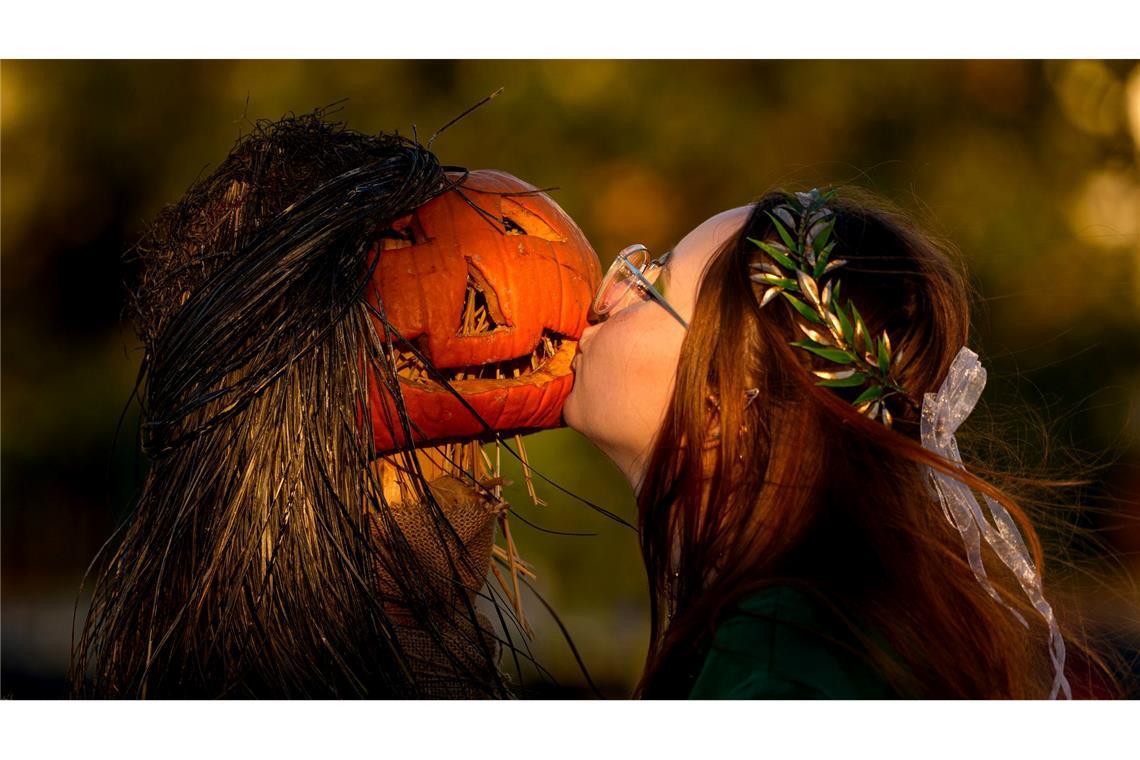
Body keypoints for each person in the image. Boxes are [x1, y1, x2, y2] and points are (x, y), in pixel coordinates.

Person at [564, 187, 1118, 698]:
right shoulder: (828, 624)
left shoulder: (786, 663)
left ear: (724, 400)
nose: (606, 297)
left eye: (650, 287)